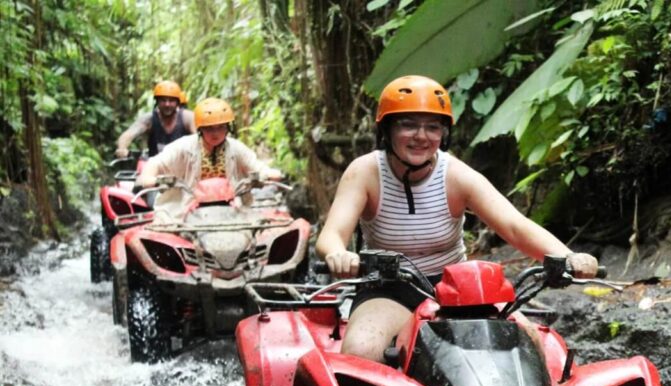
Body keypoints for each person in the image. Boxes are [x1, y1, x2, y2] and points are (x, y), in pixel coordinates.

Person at [315, 74, 599, 363]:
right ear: (386, 130)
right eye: (408, 124)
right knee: (362, 350)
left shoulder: (456, 175)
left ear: (444, 134)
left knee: (529, 342)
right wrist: (338, 254)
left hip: (456, 288)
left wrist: (568, 257)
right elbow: (331, 234)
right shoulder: (364, 172)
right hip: (389, 288)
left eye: (432, 127)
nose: (421, 136)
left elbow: (514, 226)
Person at [137, 97, 282, 217]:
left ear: (228, 128)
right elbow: (155, 163)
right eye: (209, 128)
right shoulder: (183, 146)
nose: (215, 133)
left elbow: (257, 166)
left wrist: (268, 174)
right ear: (200, 129)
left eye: (221, 127)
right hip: (187, 211)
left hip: (232, 210)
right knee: (163, 241)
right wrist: (150, 178)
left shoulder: (236, 148)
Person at [115, 80, 196, 158]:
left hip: (183, 168)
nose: (167, 104)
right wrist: (122, 148)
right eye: (163, 100)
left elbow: (199, 137)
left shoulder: (187, 117)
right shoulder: (149, 119)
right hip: (155, 168)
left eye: (171, 101)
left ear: (177, 103)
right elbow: (128, 134)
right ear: (157, 101)